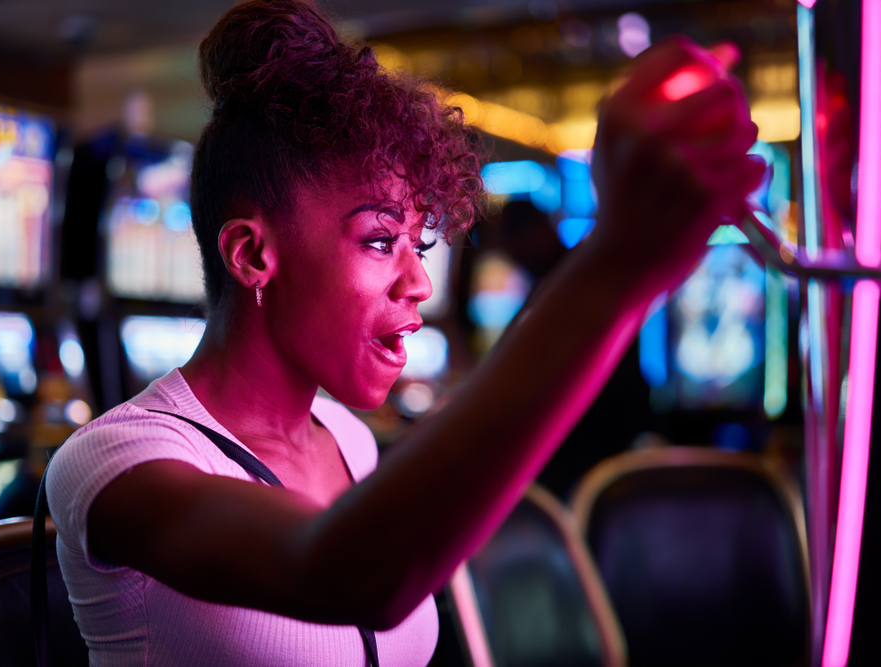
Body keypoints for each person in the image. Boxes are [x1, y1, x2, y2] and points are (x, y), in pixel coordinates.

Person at [46, 1, 764, 665]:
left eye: (418, 248)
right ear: (253, 255)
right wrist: (617, 262)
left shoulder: (350, 439)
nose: (419, 283)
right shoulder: (117, 462)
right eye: (379, 240)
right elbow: (339, 570)